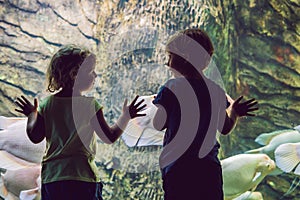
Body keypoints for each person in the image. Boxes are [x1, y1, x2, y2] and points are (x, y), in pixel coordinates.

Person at [14, 45, 146, 200]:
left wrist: (31, 114)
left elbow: (35, 136)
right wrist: (126, 117)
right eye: (91, 71)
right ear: (74, 75)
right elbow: (109, 137)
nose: (95, 75)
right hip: (82, 177)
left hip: (53, 179)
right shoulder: (89, 106)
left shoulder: (47, 105)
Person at [152, 28, 258, 199]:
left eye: (170, 57)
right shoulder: (215, 91)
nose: (167, 63)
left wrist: (160, 105)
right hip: (208, 170)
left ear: (184, 57)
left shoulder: (171, 87)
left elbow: (158, 124)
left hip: (178, 168)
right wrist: (234, 112)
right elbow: (224, 128)